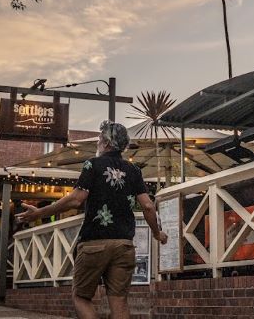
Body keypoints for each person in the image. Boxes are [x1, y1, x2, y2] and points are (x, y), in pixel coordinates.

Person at [17, 121, 167, 319]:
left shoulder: (92, 165)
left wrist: (39, 213)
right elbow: (148, 206)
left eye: (98, 139)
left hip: (94, 243)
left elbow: (76, 199)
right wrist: (157, 233)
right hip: (124, 245)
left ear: (105, 142)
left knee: (81, 296)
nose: (97, 143)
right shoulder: (134, 171)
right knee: (119, 300)